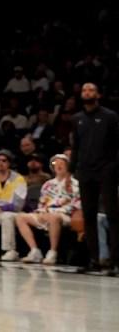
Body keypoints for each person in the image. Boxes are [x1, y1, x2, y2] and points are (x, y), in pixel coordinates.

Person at [71, 82, 119, 273]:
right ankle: (94, 259)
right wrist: (73, 167)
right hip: (85, 171)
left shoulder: (110, 116)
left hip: (106, 170)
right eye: (84, 90)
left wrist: (113, 168)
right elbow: (76, 146)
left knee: (113, 215)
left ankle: (115, 261)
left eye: (91, 89)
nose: (87, 92)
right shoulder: (77, 118)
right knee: (89, 216)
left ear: (98, 94)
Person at [15, 154, 80, 264]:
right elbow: (42, 202)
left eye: (61, 164)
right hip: (46, 213)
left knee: (53, 217)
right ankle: (34, 251)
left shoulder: (75, 184)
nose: (58, 166)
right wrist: (42, 212)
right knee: (20, 217)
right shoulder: (48, 184)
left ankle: (53, 252)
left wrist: (54, 212)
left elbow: (76, 204)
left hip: (65, 215)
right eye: (55, 164)